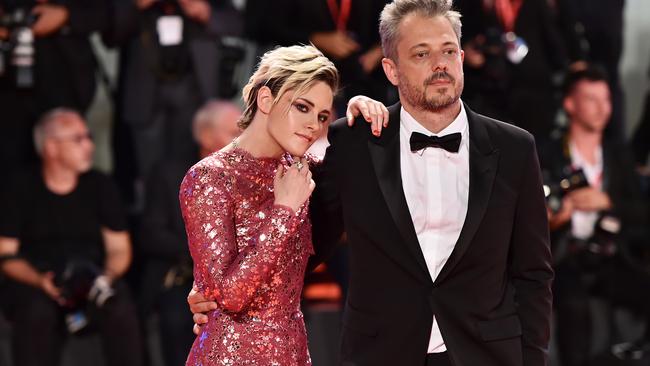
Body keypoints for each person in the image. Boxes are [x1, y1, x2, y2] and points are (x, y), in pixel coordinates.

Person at [190, 1, 554, 365]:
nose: (439, 64)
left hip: (486, 355)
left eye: (447, 51)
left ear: (460, 56)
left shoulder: (514, 148)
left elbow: (533, 273)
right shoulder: (354, 145)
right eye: (421, 53)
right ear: (391, 70)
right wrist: (214, 291)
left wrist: (533, 359)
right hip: (380, 355)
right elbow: (304, 247)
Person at [179, 45, 387, 365]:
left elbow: (347, 164)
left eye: (321, 116)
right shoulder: (210, 177)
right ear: (265, 100)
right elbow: (231, 297)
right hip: (231, 356)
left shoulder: (303, 170)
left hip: (293, 353)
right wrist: (284, 211)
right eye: (302, 107)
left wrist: (357, 116)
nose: (314, 126)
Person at [0, 109, 142, 366]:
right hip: (37, 279)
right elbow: (6, 253)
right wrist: (39, 280)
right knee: (35, 314)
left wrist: (104, 278)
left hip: (91, 276)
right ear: (51, 147)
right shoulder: (19, 187)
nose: (89, 145)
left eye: (88, 137)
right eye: (78, 139)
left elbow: (119, 248)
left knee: (120, 308)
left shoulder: (101, 185)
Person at [540, 66, 650, 366]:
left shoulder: (618, 155)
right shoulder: (547, 153)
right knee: (575, 308)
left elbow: (642, 212)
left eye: (606, 99)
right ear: (570, 104)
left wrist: (607, 201)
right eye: (591, 99)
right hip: (563, 259)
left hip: (614, 255)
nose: (602, 108)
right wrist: (555, 220)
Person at [139, 100, 241, 366]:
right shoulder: (170, 173)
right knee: (177, 315)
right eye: (234, 132)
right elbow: (151, 234)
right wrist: (208, 252)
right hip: (183, 273)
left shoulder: (249, 173)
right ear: (206, 136)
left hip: (239, 278)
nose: (242, 139)